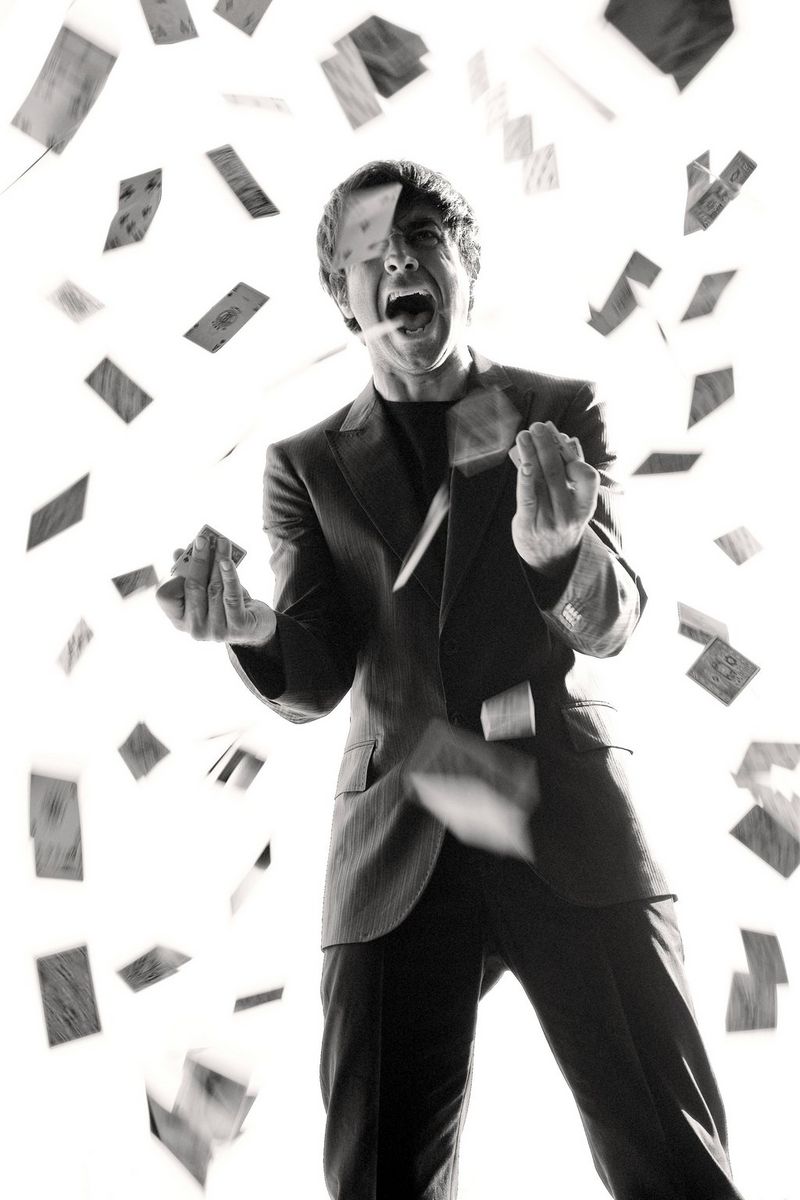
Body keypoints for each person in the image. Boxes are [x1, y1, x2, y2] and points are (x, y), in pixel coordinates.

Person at [156, 159, 746, 1200]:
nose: (396, 261)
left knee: (674, 1166)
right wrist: (252, 626)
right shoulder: (306, 466)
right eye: (366, 253)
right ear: (344, 300)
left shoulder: (557, 411)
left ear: (466, 267)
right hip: (397, 842)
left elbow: (614, 623)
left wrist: (560, 557)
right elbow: (317, 675)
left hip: (566, 821)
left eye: (421, 237)